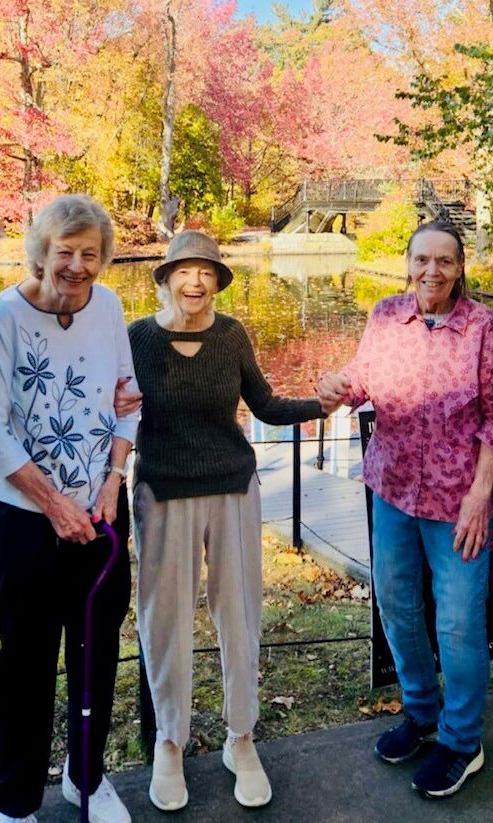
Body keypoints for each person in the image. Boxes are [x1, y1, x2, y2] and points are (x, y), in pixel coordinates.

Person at [128, 230, 323, 811]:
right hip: (163, 492)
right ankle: (170, 742)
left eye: (206, 273)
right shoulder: (137, 338)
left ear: (216, 281)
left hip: (233, 487)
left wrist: (325, 402)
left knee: (239, 616)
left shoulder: (232, 334)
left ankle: (242, 739)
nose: (195, 282)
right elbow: (106, 405)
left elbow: (263, 405)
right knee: (165, 622)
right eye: (183, 272)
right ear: (164, 280)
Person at [317, 220, 493, 798]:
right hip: (393, 490)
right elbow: (364, 382)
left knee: (457, 621)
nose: (432, 272)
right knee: (397, 606)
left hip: (459, 504)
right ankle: (422, 713)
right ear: (407, 261)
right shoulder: (384, 315)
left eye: (444, 261)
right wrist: (337, 387)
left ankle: (462, 740)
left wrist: (479, 498)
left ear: (459, 267)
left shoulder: (482, 328)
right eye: (422, 259)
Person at [0, 194, 138, 823]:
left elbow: (128, 399)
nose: (76, 265)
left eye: (89, 254)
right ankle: (13, 801)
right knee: (25, 660)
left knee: (96, 647)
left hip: (99, 510)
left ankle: (85, 778)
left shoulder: (112, 306)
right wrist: (53, 503)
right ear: (41, 251)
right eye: (64, 252)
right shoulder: (7, 315)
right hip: (23, 518)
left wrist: (113, 478)